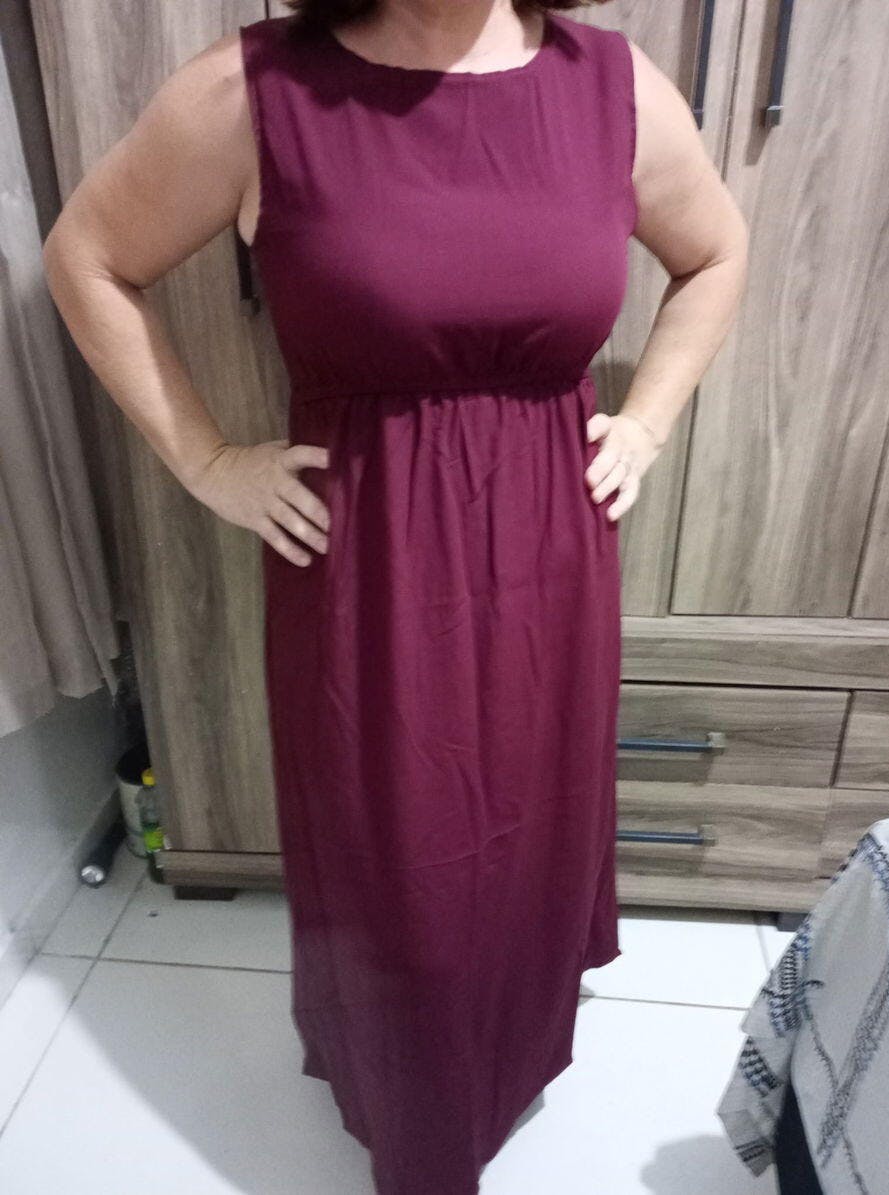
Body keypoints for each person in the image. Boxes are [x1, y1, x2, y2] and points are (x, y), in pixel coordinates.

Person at [42, 1, 748, 1190]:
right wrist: (207, 461)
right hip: (367, 566)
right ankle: (420, 1123)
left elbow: (717, 251)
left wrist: (649, 419)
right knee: (398, 863)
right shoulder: (260, 90)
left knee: (528, 837)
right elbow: (88, 257)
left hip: (550, 558)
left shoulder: (612, 85)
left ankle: (507, 1059)